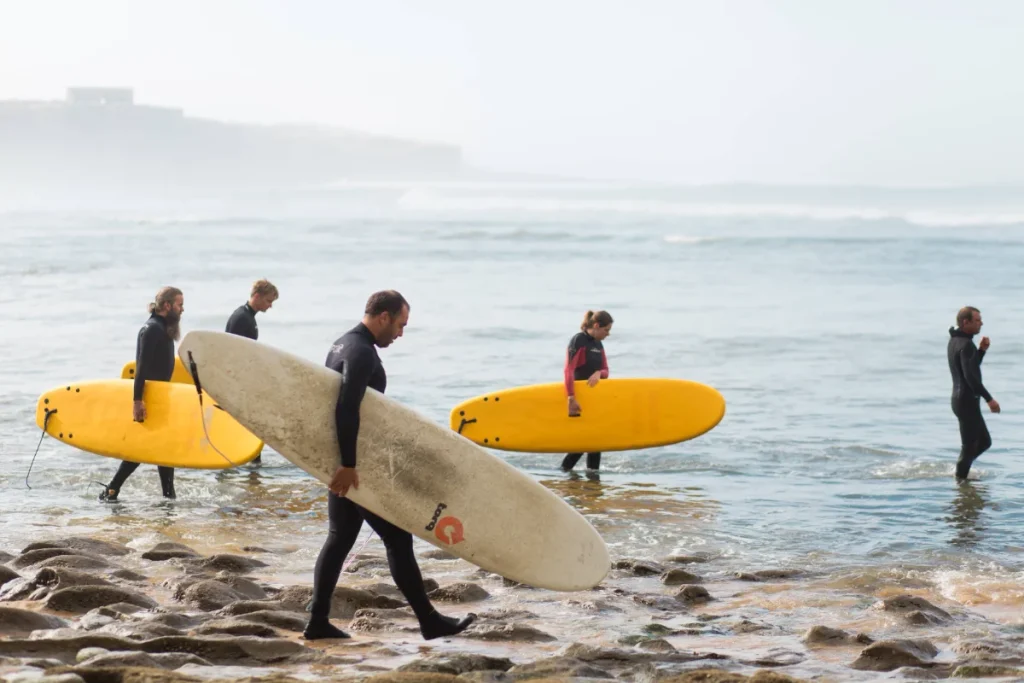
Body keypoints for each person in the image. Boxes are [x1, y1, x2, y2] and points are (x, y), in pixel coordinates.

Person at [303, 290, 476, 641]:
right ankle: (429, 621)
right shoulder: (362, 352)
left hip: (344, 460)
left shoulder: (342, 344)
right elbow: (346, 408)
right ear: (383, 317)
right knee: (397, 539)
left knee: (339, 539)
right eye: (400, 324)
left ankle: (318, 621)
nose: (400, 333)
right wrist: (349, 465)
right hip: (356, 466)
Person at [100, 286, 184, 502]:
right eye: (179, 305)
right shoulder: (152, 329)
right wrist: (137, 400)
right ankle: (113, 489)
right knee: (150, 447)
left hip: (160, 395)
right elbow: (142, 368)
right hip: (151, 396)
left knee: (161, 446)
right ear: (167, 305)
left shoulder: (163, 327)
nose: (182, 309)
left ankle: (165, 495)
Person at [226, 279, 278, 465]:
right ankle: (249, 464)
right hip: (238, 382)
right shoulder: (241, 318)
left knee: (249, 424)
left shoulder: (248, 317)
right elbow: (231, 352)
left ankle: (252, 463)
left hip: (244, 381)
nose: (270, 306)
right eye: (268, 301)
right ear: (257, 296)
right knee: (248, 424)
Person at [948, 306, 1001, 481]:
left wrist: (981, 351)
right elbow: (971, 377)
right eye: (977, 320)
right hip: (966, 401)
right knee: (970, 446)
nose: (981, 323)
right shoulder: (965, 344)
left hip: (961, 400)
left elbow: (969, 368)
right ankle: (960, 479)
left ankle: (961, 472)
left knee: (984, 442)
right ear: (966, 322)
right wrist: (989, 399)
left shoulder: (956, 341)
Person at [560, 310, 613, 473]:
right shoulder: (579, 340)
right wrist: (571, 397)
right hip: (578, 397)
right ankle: (565, 471)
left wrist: (599, 373)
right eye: (606, 330)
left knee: (594, 440)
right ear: (596, 326)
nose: (608, 334)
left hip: (594, 398)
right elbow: (569, 370)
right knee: (586, 440)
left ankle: (590, 478)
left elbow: (605, 370)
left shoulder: (598, 344)